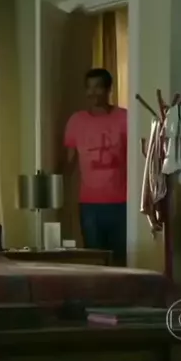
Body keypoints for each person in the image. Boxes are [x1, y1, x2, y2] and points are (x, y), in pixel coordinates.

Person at [63, 68, 128, 266]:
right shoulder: (76, 121)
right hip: (89, 204)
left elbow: (136, 158)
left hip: (122, 203)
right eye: (89, 88)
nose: (92, 92)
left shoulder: (124, 118)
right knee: (94, 258)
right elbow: (69, 162)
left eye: (98, 87)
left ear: (109, 89)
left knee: (121, 258)